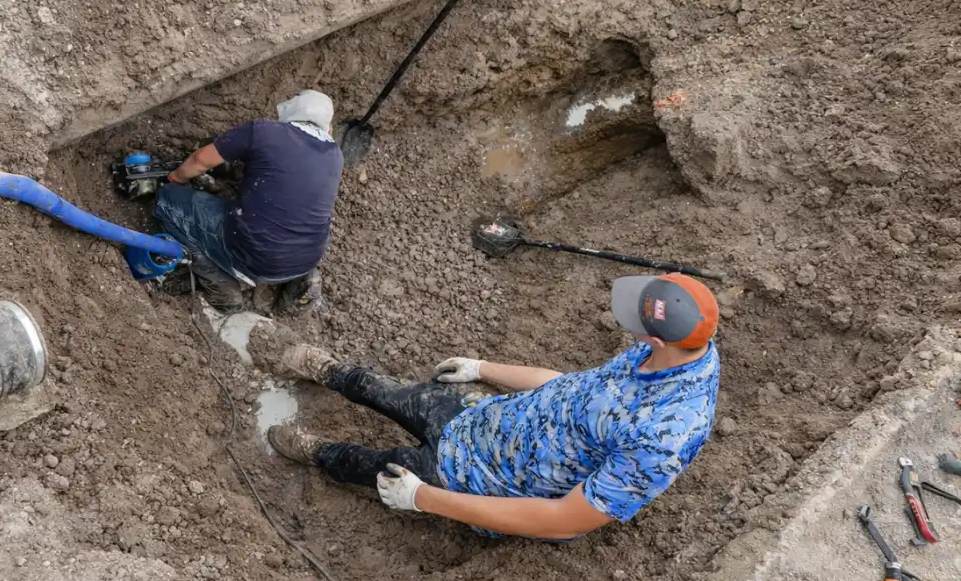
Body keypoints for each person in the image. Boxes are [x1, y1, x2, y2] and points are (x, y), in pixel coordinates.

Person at [266, 273, 720, 540]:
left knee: (370, 466)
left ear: (659, 338)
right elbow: (573, 390)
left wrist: (422, 497)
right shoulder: (661, 352)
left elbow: (563, 521)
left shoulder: (661, 438)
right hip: (481, 419)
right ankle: (325, 370)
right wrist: (484, 367)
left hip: (477, 480)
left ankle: (316, 451)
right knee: (382, 388)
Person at [154, 90, 343, 312]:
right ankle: (301, 282)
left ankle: (220, 283)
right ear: (327, 127)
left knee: (167, 200)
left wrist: (172, 179)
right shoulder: (335, 155)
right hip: (306, 259)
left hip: (251, 256)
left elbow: (199, 160)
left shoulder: (263, 132)